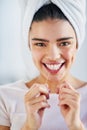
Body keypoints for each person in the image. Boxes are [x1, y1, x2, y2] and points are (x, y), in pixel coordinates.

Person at [0, 0, 87, 130]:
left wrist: (76, 126)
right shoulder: (5, 97)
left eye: (64, 43)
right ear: (29, 46)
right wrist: (29, 126)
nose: (53, 56)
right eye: (40, 44)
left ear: (77, 44)